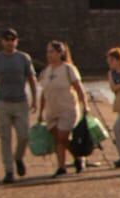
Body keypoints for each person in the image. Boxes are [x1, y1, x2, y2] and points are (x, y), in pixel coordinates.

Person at [0, 28, 39, 184]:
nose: (9, 42)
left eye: (12, 39)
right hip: (3, 103)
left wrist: (35, 99)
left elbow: (32, 79)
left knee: (24, 135)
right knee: (4, 138)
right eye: (7, 39)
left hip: (21, 102)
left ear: (16, 41)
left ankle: (18, 158)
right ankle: (8, 170)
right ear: (2, 41)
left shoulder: (23, 58)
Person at [37, 40, 90, 176]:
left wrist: (85, 105)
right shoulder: (46, 71)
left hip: (68, 109)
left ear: (60, 53)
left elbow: (79, 88)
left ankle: (66, 164)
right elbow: (44, 93)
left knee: (62, 136)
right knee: (59, 139)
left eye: (52, 52)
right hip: (51, 110)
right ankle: (69, 163)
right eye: (48, 52)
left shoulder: (68, 69)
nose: (49, 55)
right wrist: (40, 111)